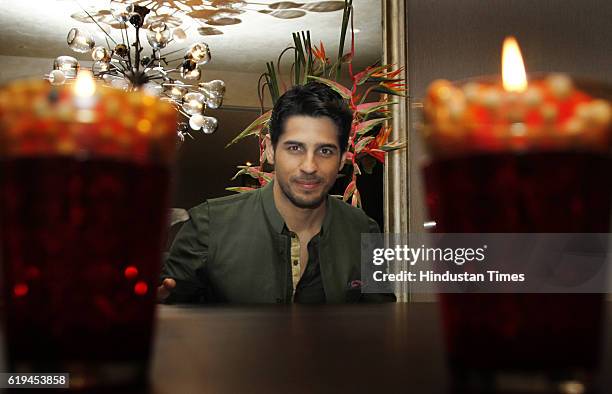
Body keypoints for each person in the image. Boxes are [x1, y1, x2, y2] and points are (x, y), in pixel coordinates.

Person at [159, 82, 395, 303]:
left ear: (343, 158)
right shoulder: (208, 225)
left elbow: (381, 329)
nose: (309, 166)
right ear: (270, 150)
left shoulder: (364, 230)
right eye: (295, 148)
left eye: (325, 151)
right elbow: (168, 319)